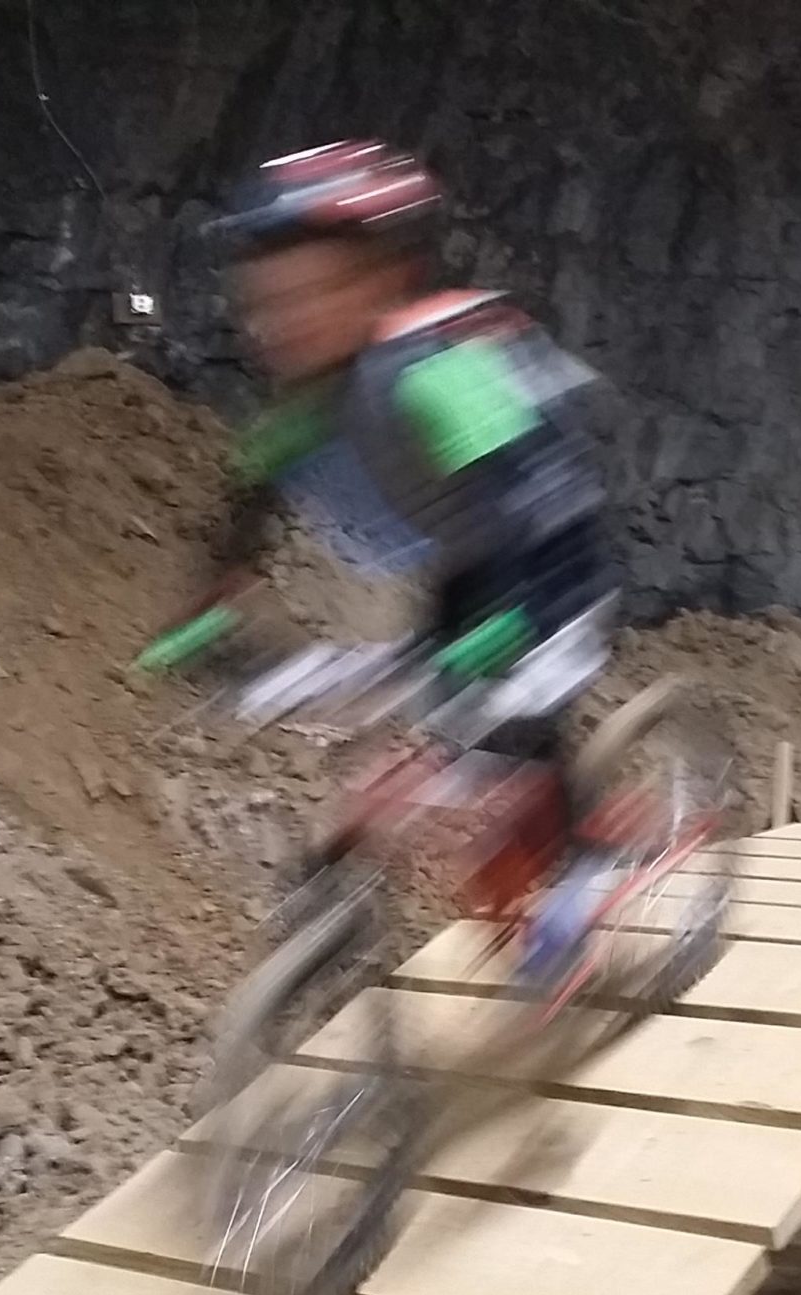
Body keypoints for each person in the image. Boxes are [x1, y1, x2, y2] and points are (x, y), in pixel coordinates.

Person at [193, 139, 620, 981]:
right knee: (436, 737)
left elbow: (522, 498)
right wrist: (202, 630)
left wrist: (502, 640)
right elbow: (239, 530)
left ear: (381, 285)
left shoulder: (434, 371)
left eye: (311, 294)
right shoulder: (297, 415)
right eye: (267, 303)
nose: (282, 322)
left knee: (519, 706)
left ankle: (588, 866)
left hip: (547, 549)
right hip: (468, 565)